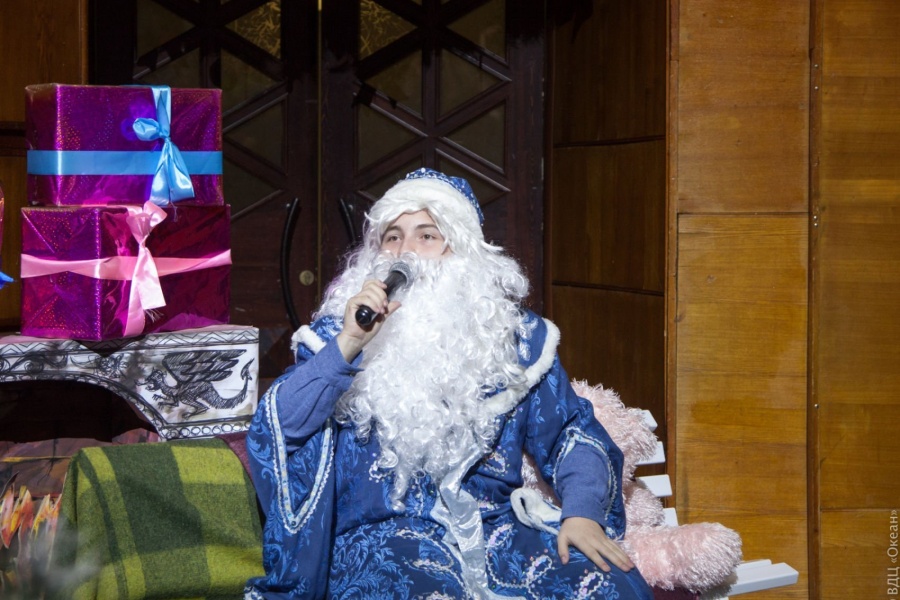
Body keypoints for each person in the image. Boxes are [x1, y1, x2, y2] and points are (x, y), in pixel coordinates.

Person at [244, 168, 653, 599]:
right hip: (383, 540)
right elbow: (280, 428)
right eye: (393, 237)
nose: (405, 252)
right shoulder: (335, 337)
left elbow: (571, 432)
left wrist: (582, 513)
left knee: (609, 586)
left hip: (496, 531)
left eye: (426, 236)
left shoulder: (513, 340)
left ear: (462, 251)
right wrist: (350, 343)